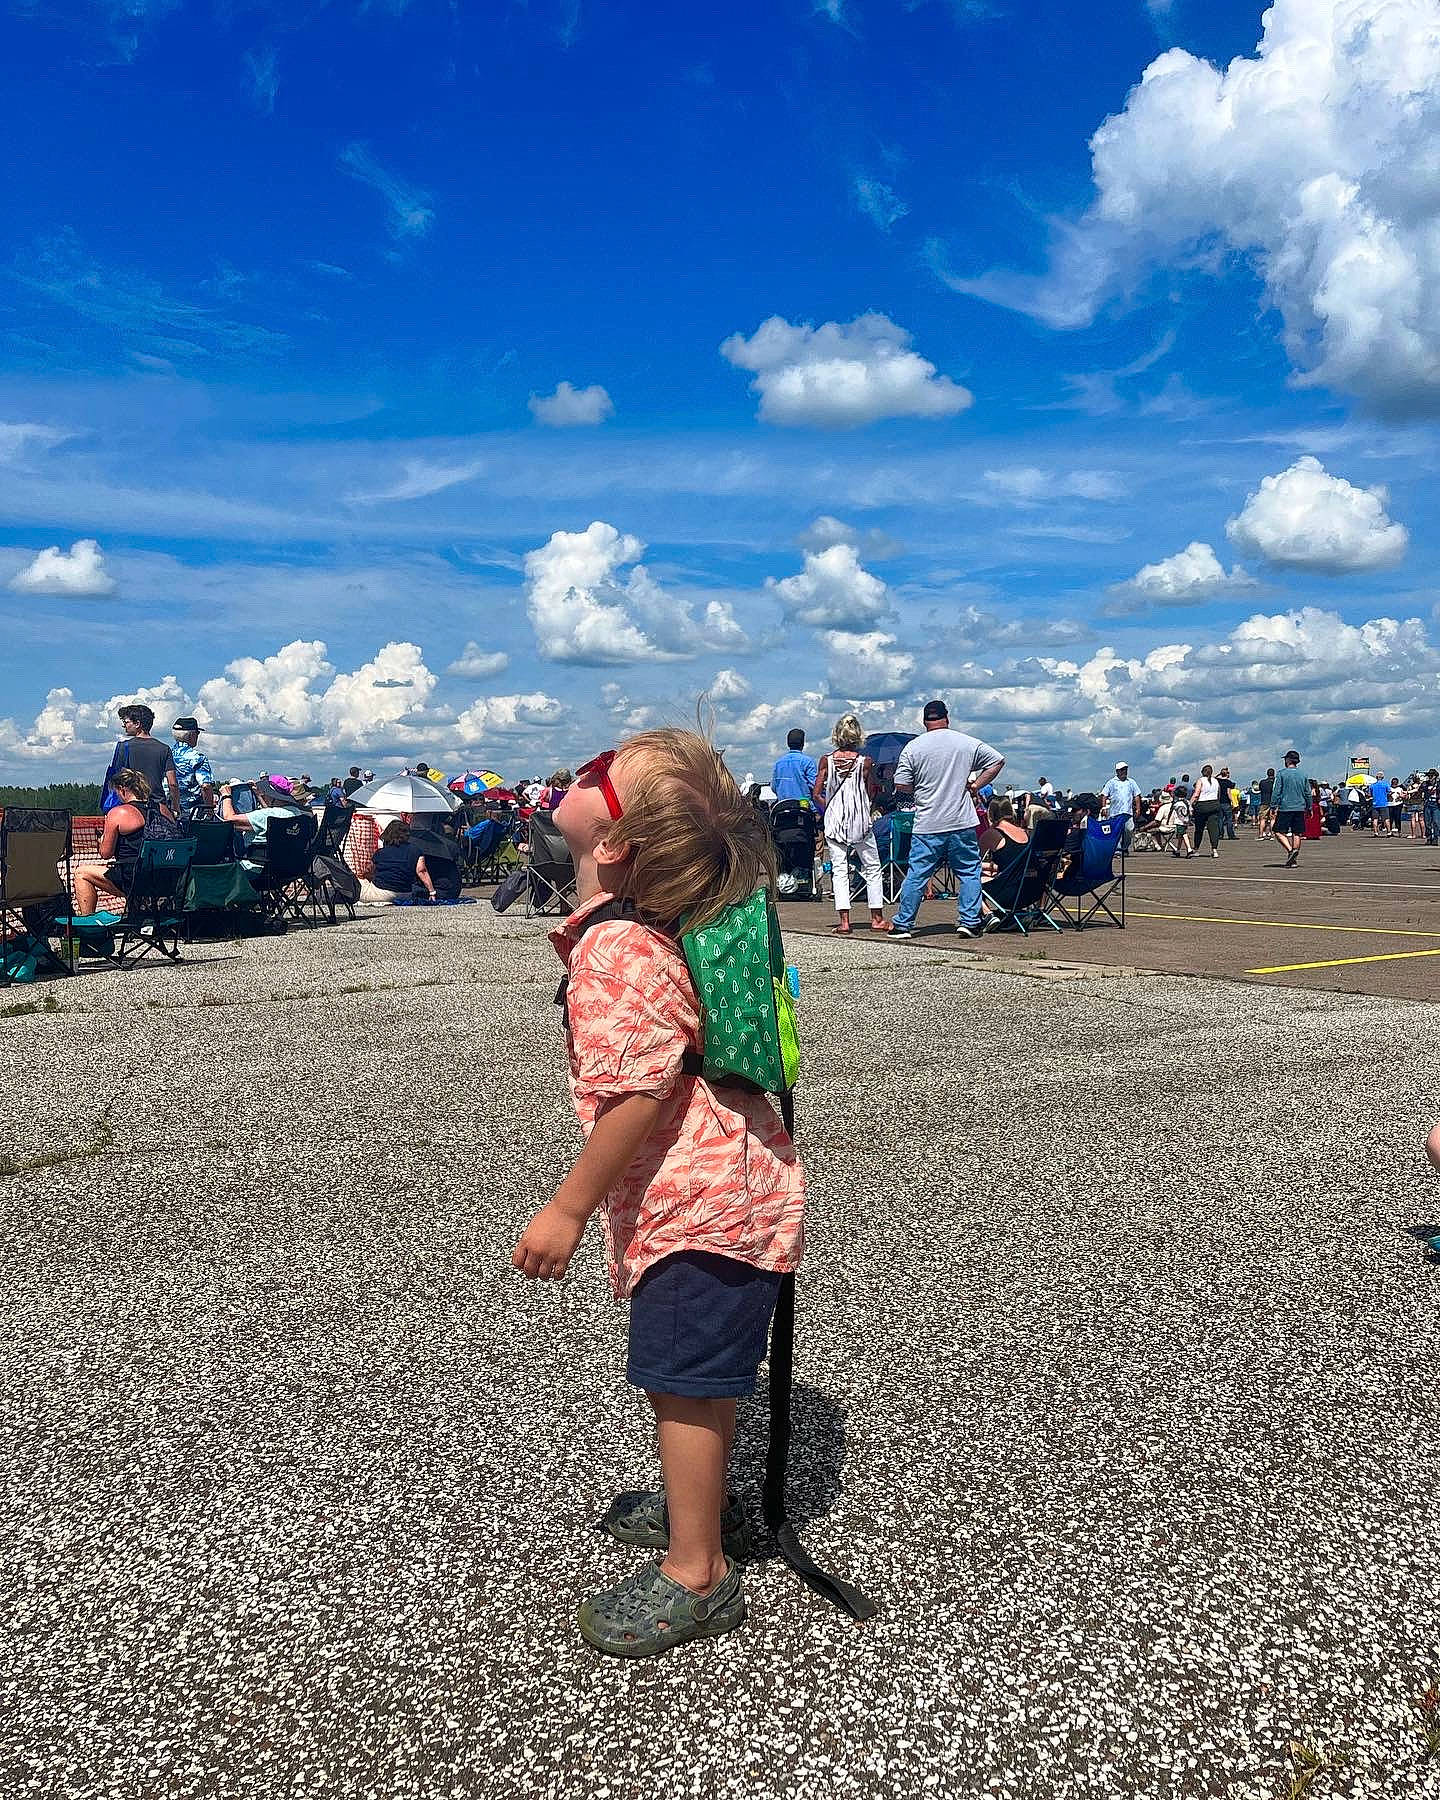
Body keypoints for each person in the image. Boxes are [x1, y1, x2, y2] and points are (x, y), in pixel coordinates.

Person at [510, 729, 803, 1657]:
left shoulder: (617, 948)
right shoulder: (655, 925)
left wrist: (568, 1208)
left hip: (697, 1206)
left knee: (679, 1383)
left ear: (614, 843)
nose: (581, 773)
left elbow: (637, 1092)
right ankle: (701, 1510)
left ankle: (697, 1572)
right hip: (739, 1184)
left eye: (599, 776)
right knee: (703, 1376)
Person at [889, 700, 1004, 939]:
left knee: (917, 873)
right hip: (961, 820)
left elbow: (901, 784)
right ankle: (969, 921)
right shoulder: (965, 742)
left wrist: (920, 790)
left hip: (928, 822)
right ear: (947, 718)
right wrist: (975, 785)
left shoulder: (913, 748)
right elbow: (997, 761)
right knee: (969, 872)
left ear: (924, 721)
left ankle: (903, 924)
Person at [812, 714, 888, 935]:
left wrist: (830, 808)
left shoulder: (826, 761)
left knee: (839, 869)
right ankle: (877, 918)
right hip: (859, 821)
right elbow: (870, 790)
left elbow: (816, 793)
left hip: (835, 821)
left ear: (837, 735)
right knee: (872, 867)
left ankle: (845, 922)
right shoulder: (865, 762)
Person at [71, 769, 180, 915]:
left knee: (81, 873)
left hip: (134, 880)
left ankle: (88, 923)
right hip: (166, 880)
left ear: (122, 790)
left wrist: (101, 841)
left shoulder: (119, 813)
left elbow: (105, 854)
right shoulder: (163, 809)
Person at [105, 703, 181, 817]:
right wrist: (175, 808)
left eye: (126, 722)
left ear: (137, 724)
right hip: (158, 808)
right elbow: (173, 783)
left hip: (131, 808)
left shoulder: (123, 747)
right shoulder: (164, 749)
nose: (124, 726)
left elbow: (117, 780)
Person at [218, 776, 307, 871]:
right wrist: (259, 796)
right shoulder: (298, 813)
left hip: (256, 868)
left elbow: (229, 820)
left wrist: (226, 795)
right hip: (286, 869)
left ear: (272, 795)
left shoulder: (265, 816)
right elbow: (271, 813)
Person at [367, 819, 438, 902]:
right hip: (405, 894)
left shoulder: (380, 852)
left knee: (361, 882)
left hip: (382, 893)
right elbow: (422, 871)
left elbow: (369, 870)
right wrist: (432, 892)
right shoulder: (415, 850)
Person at [168, 717, 214, 821]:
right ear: (192, 735)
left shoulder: (166, 754)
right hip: (193, 814)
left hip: (169, 813)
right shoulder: (198, 758)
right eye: (197, 733)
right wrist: (209, 810)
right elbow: (205, 786)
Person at [1271, 749, 1310, 869]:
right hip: (1300, 807)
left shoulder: (1281, 774)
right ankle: (1293, 859)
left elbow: (1276, 791)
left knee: (1277, 831)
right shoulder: (1303, 774)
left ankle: (1290, 850)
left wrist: (1273, 805)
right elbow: (1307, 792)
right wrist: (1309, 807)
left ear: (1288, 760)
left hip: (1285, 807)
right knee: (1297, 832)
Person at [770, 729, 818, 804]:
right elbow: (815, 786)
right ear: (803, 744)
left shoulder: (778, 763)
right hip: (803, 804)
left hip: (782, 805)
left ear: (788, 744)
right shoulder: (808, 762)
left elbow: (773, 787)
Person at [1100, 760, 1142, 844]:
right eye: (1122, 770)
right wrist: (1104, 808)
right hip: (1115, 813)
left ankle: (1125, 847)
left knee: (1129, 829)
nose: (1124, 771)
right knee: (1116, 831)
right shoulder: (1111, 782)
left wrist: (1138, 809)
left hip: (1127, 812)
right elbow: (1104, 795)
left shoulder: (1131, 782)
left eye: (1125, 769)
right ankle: (1118, 849)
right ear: (1117, 771)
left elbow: (1137, 795)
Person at [1189, 764, 1222, 858]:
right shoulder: (1216, 781)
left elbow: (1196, 794)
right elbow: (1218, 794)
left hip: (1202, 806)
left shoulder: (1200, 780)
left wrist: (1190, 804)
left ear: (1202, 772)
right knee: (1213, 829)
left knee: (1199, 829)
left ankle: (1196, 849)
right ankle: (1214, 850)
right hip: (1214, 804)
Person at [1217, 766, 1237, 840]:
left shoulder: (1217, 781)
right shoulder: (1229, 782)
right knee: (1229, 819)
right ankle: (1231, 835)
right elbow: (1228, 793)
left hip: (1219, 802)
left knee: (1220, 819)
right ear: (1227, 775)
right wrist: (1232, 801)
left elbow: (1215, 777)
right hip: (1226, 802)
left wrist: (1220, 773)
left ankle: (1220, 834)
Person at [1371, 769, 1393, 836]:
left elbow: (1369, 794)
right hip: (1383, 804)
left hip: (1375, 804)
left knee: (1375, 819)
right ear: (1383, 777)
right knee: (1386, 819)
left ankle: (1375, 832)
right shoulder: (1385, 784)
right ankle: (1389, 832)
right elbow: (1390, 792)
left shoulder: (1372, 785)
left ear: (1376, 777)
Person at [1256, 767, 1276, 840]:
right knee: (1273, 819)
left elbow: (1259, 789)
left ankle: (1261, 835)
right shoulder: (1276, 782)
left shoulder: (1262, 782)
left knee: (1262, 819)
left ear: (1267, 774)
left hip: (1264, 802)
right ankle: (1272, 835)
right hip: (1273, 802)